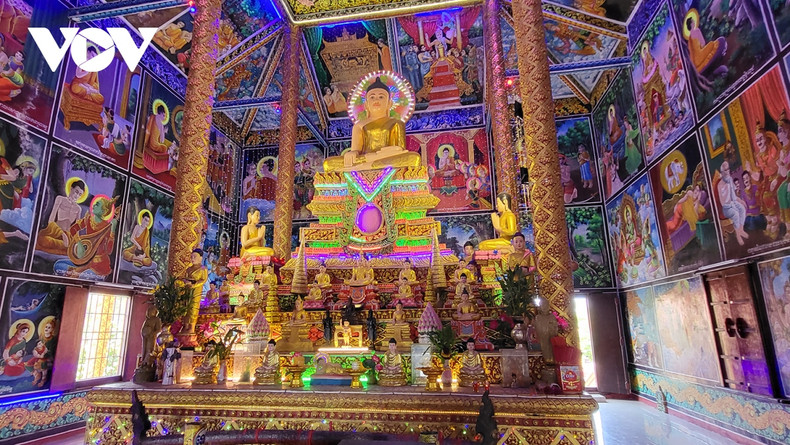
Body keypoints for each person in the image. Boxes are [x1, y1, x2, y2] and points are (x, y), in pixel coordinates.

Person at [323, 77, 420, 172]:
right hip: (363, 158)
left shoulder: (397, 123)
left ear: (389, 104)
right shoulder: (359, 125)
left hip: (387, 158)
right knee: (328, 164)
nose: (376, 100)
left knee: (413, 158)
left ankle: (364, 166)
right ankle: (367, 165)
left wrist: (380, 155)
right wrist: (352, 154)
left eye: (381, 97)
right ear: (366, 105)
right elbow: (355, 151)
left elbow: (399, 150)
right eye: (372, 97)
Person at [716, 161, 749, 245]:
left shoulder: (730, 179)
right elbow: (723, 202)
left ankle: (741, 230)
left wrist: (739, 201)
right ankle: (738, 235)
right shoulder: (720, 185)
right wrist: (732, 204)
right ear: (722, 172)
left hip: (733, 203)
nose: (728, 172)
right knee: (736, 214)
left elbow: (733, 195)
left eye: (728, 169)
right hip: (726, 207)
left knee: (742, 209)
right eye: (725, 170)